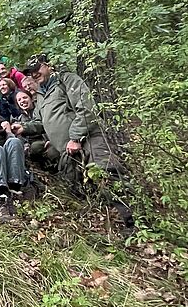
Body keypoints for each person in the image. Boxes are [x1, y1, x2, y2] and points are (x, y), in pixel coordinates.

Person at [13, 54, 132, 226]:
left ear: (48, 65)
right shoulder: (40, 94)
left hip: (89, 138)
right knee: (76, 189)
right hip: (67, 150)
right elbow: (41, 122)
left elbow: (86, 107)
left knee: (107, 172)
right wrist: (25, 128)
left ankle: (134, 221)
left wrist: (75, 136)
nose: (34, 74)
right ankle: (107, 221)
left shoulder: (66, 80)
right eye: (31, 72)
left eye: (37, 69)